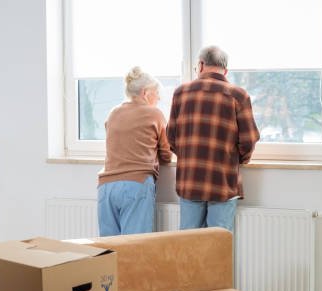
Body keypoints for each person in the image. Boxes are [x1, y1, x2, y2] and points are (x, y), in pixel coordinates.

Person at [167, 45, 259, 232]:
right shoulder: (238, 95)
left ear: (200, 65)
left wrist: (189, 155)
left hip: (190, 181)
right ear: (225, 70)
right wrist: (234, 160)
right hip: (223, 182)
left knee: (188, 243)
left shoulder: (181, 93)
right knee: (219, 246)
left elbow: (171, 138)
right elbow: (249, 140)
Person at [97, 66, 172, 237]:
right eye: (156, 92)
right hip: (135, 185)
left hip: (106, 187)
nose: (158, 97)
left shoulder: (113, 113)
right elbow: (166, 155)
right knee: (135, 248)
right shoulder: (154, 114)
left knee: (109, 250)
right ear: (146, 93)